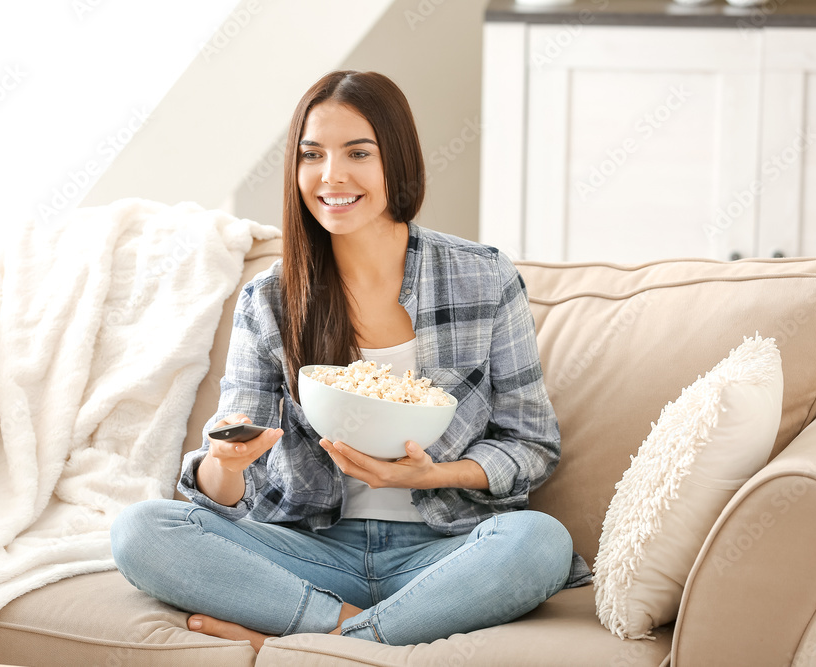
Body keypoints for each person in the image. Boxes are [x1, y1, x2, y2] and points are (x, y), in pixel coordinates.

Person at [110, 69, 591, 652]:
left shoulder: (482, 278)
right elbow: (225, 487)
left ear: (398, 161)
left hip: (444, 553)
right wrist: (227, 463)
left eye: (357, 152)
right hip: (309, 551)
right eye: (312, 155)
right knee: (141, 531)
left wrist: (432, 474)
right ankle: (352, 633)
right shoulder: (270, 299)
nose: (331, 175)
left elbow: (531, 444)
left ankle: (304, 637)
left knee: (540, 541)